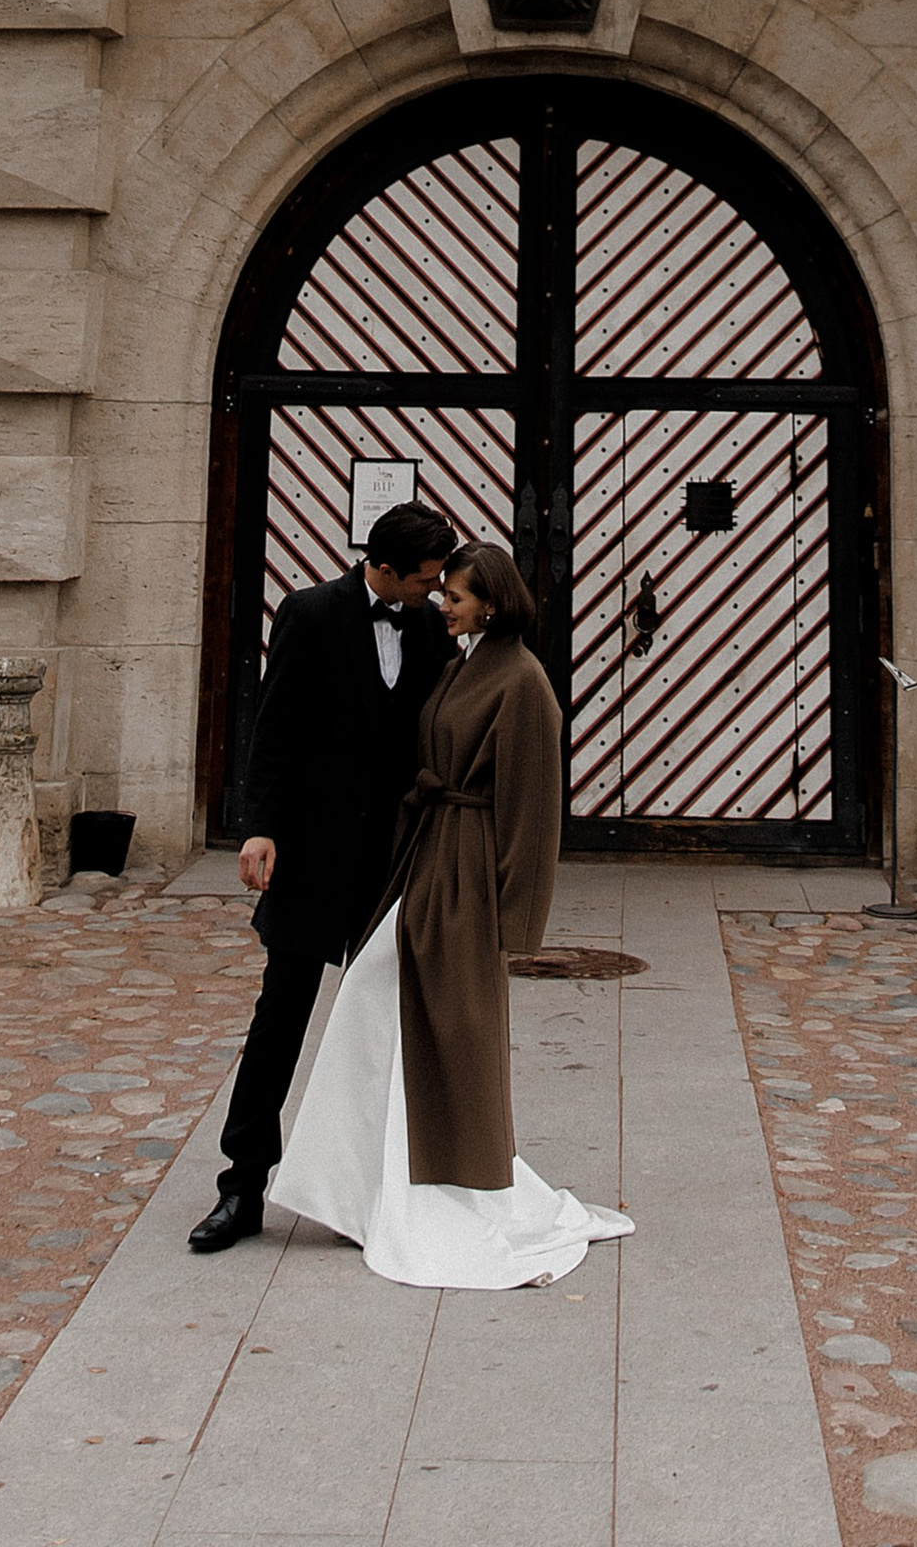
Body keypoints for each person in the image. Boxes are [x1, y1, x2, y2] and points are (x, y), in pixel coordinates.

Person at [269, 538, 633, 1289]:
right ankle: (362, 1181)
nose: (442, 606)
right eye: (440, 594)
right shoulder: (461, 661)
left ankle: (433, 1184)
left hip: (465, 873)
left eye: (455, 597)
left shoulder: (524, 683)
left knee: (435, 1024)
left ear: (490, 603)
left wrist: (512, 921)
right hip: (426, 855)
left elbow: (534, 814)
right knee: (380, 1006)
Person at [185, 497, 458, 1255]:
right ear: (386, 569)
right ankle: (241, 1188)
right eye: (427, 579)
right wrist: (260, 826)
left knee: (389, 1022)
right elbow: (274, 728)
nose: (435, 591)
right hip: (310, 852)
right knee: (281, 1018)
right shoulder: (307, 614)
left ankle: (377, 1184)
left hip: (396, 860)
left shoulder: (433, 628)